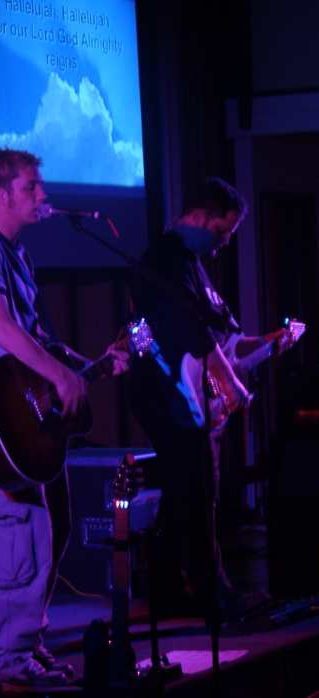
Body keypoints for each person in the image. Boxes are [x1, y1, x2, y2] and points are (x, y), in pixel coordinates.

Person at [0, 149, 129, 688]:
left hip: (28, 421)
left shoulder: (19, 256)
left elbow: (36, 339)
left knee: (53, 527)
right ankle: (4, 658)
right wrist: (62, 376)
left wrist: (86, 365)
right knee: (16, 533)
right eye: (32, 186)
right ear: (0, 195)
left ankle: (26, 641)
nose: (43, 196)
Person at [128, 176, 295, 625]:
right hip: (167, 396)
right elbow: (182, 334)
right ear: (201, 217)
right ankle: (212, 595)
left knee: (183, 491)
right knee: (198, 489)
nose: (224, 242)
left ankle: (168, 590)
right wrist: (227, 383)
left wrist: (268, 343)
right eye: (223, 231)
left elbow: (223, 336)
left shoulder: (193, 266)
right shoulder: (164, 261)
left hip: (187, 398)